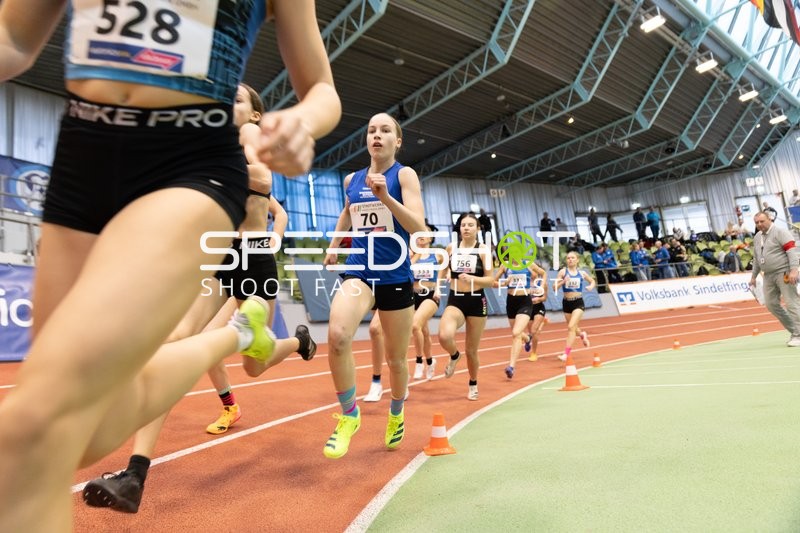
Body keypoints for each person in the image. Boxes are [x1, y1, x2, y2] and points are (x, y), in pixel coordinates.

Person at [0, 2, 341, 530]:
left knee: (31, 431)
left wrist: (301, 122)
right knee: (82, 430)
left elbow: (321, 89)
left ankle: (240, 346)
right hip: (82, 158)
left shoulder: (253, 153)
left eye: (243, 100)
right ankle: (234, 336)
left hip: (190, 169)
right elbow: (14, 36)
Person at [80, 85, 319, 514]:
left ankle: (299, 341)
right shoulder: (214, 144)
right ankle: (135, 474)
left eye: (238, 100)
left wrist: (272, 236)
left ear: (255, 114)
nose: (229, 104)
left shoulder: (249, 136)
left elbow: (263, 180)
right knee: (176, 343)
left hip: (253, 259)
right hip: (219, 258)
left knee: (255, 365)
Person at [321, 112, 425, 459]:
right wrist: (335, 244)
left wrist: (386, 198)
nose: (376, 135)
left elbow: (419, 227)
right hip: (360, 271)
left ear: (398, 141)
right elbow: (348, 211)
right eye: (371, 130)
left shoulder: (404, 175)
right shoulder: (352, 179)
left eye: (385, 130)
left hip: (395, 275)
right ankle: (349, 415)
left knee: (396, 360)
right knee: (337, 336)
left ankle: (396, 412)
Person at [439, 213, 494, 400]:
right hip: (456, 299)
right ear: (459, 228)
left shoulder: (483, 250)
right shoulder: (451, 247)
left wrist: (472, 278)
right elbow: (442, 270)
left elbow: (490, 280)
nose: (466, 228)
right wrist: (439, 286)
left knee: (471, 351)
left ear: (478, 228)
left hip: (477, 301)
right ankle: (454, 355)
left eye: (471, 225)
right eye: (463, 225)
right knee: (444, 336)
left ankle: (473, 383)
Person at [749, 211, 800, 347]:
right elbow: (756, 258)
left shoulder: (780, 232)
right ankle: (795, 331)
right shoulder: (757, 237)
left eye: (762, 221)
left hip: (784, 272)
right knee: (771, 304)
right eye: (756, 222)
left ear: (770, 219)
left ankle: (798, 335)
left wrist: (794, 270)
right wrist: (753, 276)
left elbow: (791, 252)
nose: (759, 224)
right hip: (768, 275)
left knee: (792, 303)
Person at [494, 257, 547, 377]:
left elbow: (543, 273)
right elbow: (493, 283)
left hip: (525, 302)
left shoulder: (528, 264)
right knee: (516, 332)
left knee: (516, 333)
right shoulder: (505, 266)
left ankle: (511, 367)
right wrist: (504, 283)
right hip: (511, 302)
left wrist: (542, 285)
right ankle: (527, 339)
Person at [409, 228, 443, 380]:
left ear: (430, 238)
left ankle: (419, 362)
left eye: (425, 234)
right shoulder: (411, 256)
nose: (421, 236)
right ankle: (430, 361)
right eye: (418, 234)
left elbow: (444, 270)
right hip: (413, 295)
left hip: (430, 295)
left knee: (415, 325)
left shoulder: (437, 255)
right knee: (424, 331)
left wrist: (439, 287)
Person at [554, 251, 596, 362]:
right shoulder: (563, 272)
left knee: (571, 326)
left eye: (572, 258)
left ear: (577, 260)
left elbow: (592, 281)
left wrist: (591, 287)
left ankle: (566, 354)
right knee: (574, 328)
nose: (570, 260)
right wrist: (563, 281)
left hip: (578, 303)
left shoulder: (582, 273)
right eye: (568, 258)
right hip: (567, 303)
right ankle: (582, 334)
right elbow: (554, 287)